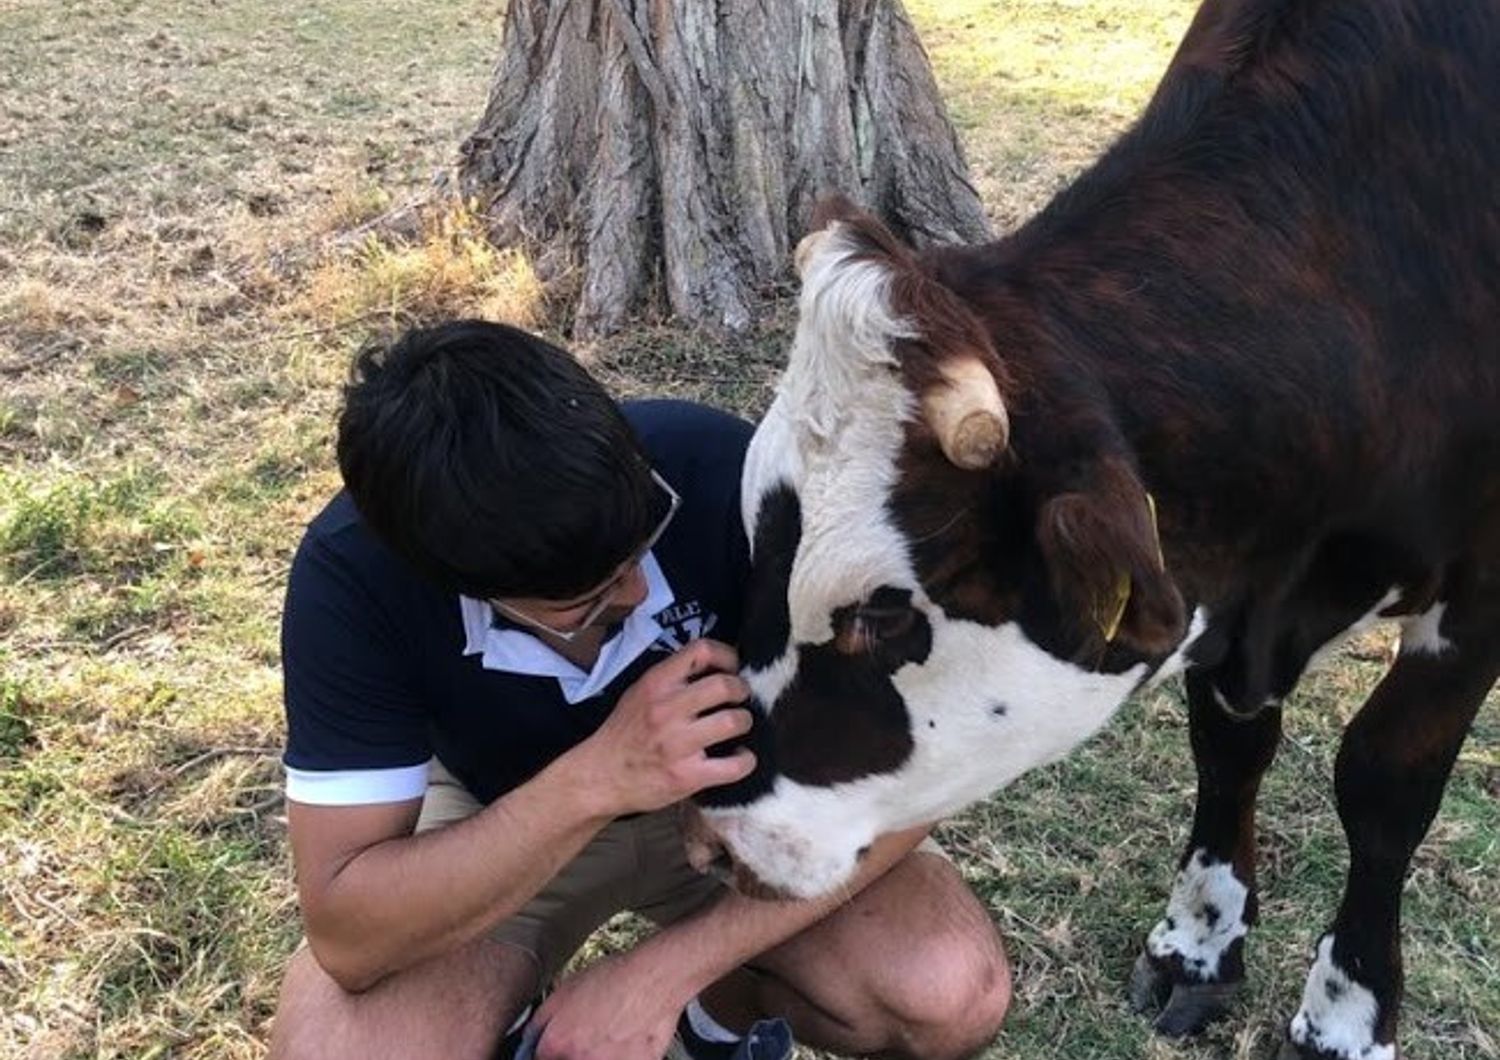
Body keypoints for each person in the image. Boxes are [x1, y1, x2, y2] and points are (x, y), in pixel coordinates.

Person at [267, 320, 1011, 1060]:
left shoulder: (717, 470)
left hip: (734, 801)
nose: (634, 589)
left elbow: (926, 770)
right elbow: (348, 934)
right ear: (457, 583)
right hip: (496, 815)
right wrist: (597, 778)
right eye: (585, 599)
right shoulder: (352, 582)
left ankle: (707, 1030)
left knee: (943, 990)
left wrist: (657, 978)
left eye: (644, 543)